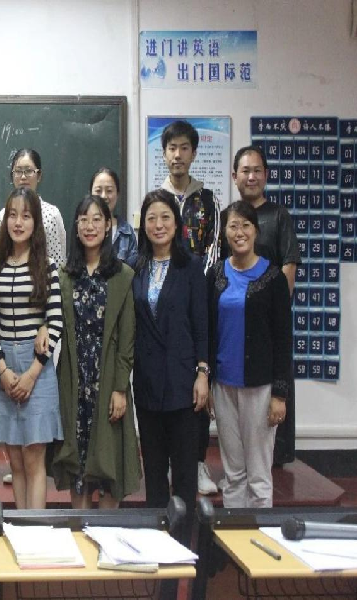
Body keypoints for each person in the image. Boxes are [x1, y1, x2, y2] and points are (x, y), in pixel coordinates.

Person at [52, 195, 141, 508]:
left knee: (108, 463)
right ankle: (79, 528)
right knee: (76, 463)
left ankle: (105, 532)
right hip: (74, 379)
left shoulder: (122, 276)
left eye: (97, 219)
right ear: (76, 227)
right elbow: (52, 323)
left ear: (107, 226)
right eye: (84, 220)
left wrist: (120, 388)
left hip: (108, 379)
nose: (90, 226)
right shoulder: (64, 275)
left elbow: (127, 338)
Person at [132, 189, 208, 544]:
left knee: (185, 475)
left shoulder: (191, 267)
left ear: (177, 224)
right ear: (143, 226)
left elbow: (202, 325)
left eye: (165, 217)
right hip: (147, 383)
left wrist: (203, 373)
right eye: (151, 218)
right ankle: (157, 544)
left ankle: (184, 547)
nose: (158, 224)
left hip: (183, 384)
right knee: (154, 472)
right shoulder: (136, 267)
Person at [208, 201, 292, 508]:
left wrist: (279, 395)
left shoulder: (273, 278)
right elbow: (209, 330)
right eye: (233, 226)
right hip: (223, 386)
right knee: (233, 475)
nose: (239, 232)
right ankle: (233, 536)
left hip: (260, 388)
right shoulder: (216, 274)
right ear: (225, 233)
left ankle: (260, 535)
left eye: (246, 225)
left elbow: (283, 339)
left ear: (256, 231)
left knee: (258, 476)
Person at [0, 186, 63, 509]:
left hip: (37, 369)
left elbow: (55, 322)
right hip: (6, 367)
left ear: (36, 222)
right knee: (15, 461)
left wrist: (32, 374)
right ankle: (19, 527)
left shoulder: (48, 267)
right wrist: (2, 369)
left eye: (26, 216)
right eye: (13, 215)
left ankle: (36, 531)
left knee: (34, 459)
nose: (18, 223)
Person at [222, 145, 300, 466]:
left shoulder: (279, 215)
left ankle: (275, 464)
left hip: (267, 325)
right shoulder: (230, 217)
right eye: (245, 171)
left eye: (257, 171)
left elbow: (289, 265)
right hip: (235, 326)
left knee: (271, 405)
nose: (251, 176)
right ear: (234, 176)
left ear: (266, 175)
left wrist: (271, 310)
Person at [158, 120, 221, 496]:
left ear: (193, 153)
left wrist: (192, 283)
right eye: (172, 148)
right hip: (163, 304)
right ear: (164, 153)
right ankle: (169, 462)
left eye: (184, 148)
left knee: (199, 381)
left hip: (199, 299)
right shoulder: (157, 199)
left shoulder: (208, 200)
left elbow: (214, 250)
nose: (177, 155)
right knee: (167, 381)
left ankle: (197, 462)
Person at [0, 148, 67, 267]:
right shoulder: (3, 216)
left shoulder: (51, 215)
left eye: (28, 171)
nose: (23, 177)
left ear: (39, 175)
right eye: (18, 171)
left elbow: (59, 264)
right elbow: (0, 258)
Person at [90, 167, 137, 267]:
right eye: (98, 190)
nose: (103, 196)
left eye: (109, 190)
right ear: (91, 194)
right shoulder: (84, 229)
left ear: (117, 194)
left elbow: (133, 271)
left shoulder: (126, 232)